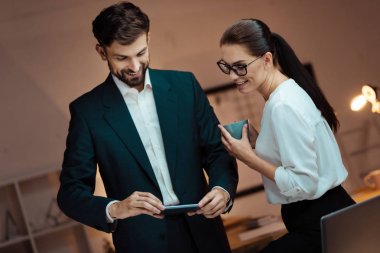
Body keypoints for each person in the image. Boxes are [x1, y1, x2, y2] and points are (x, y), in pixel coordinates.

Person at [57, 2, 238, 253]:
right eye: (122, 58)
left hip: (206, 236)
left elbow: (217, 151)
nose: (134, 66)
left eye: (141, 53)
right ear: (101, 52)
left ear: (148, 38)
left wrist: (221, 190)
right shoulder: (87, 112)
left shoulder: (185, 86)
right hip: (142, 244)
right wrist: (116, 208)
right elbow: (70, 194)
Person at [216, 19, 355, 253]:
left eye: (240, 66)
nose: (232, 76)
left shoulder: (282, 106)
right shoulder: (284, 95)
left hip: (320, 220)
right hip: (328, 214)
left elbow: (304, 183)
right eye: (227, 67)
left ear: (267, 59)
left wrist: (249, 158)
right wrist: (257, 140)